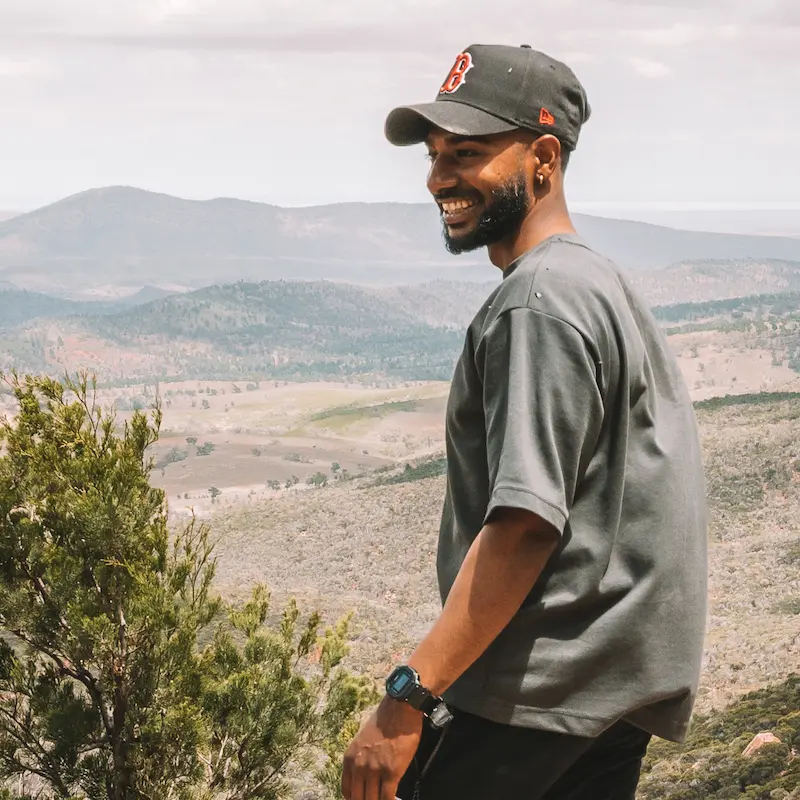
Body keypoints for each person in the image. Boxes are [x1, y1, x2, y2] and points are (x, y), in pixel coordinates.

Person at [341, 43, 708, 800]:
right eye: (435, 155)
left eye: (467, 153)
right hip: (605, 698)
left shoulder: (537, 301)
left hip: (533, 696)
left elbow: (524, 524)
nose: (440, 177)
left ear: (543, 156)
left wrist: (406, 699)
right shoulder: (592, 279)